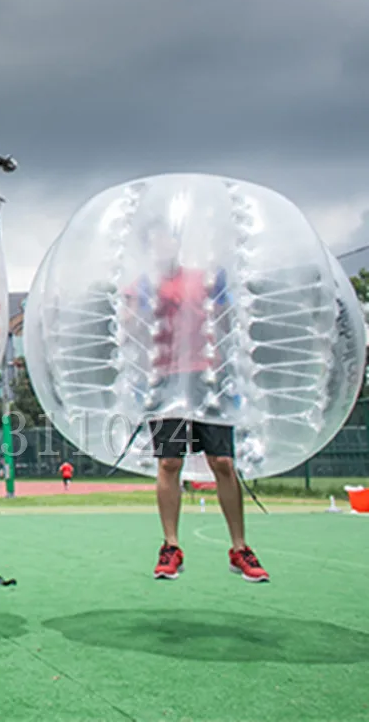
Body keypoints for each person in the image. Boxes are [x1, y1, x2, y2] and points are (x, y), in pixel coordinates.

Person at [128, 223, 269, 582]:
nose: (163, 244)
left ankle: (240, 547)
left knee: (222, 461)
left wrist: (230, 375)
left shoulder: (205, 278)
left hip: (208, 379)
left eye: (169, 237)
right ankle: (171, 545)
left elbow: (227, 322)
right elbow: (133, 330)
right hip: (164, 382)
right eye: (156, 238)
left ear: (177, 242)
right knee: (170, 463)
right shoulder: (143, 286)